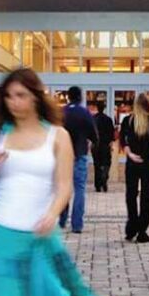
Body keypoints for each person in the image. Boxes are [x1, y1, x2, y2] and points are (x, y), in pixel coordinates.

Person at [0, 68, 109, 296]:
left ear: (35, 96)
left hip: (39, 237)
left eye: (20, 95)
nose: (14, 102)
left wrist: (53, 213)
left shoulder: (58, 136)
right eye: (8, 96)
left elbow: (64, 186)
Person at [119, 93, 149, 243]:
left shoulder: (128, 120)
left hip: (133, 162)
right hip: (148, 162)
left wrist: (130, 154)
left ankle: (132, 226)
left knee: (131, 195)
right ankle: (142, 231)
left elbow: (122, 140)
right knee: (146, 196)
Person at [58, 86, 98, 233]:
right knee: (79, 189)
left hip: (63, 155)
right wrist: (92, 141)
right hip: (80, 153)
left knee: (63, 187)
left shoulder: (62, 112)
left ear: (68, 97)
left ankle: (61, 220)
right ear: (80, 97)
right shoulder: (84, 112)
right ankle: (77, 224)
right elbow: (94, 133)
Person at [92, 101, 115, 192]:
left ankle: (98, 185)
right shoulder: (108, 119)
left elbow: (91, 132)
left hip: (96, 145)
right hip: (105, 145)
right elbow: (112, 133)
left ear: (97, 108)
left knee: (96, 165)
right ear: (104, 108)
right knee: (106, 163)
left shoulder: (93, 119)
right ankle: (104, 177)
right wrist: (111, 143)